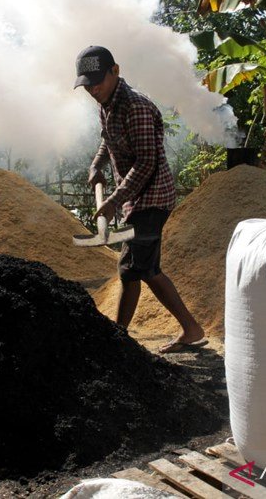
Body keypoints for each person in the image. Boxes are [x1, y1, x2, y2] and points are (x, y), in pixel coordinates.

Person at [73, 45, 205, 354]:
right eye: (87, 84)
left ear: (115, 71)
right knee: (141, 268)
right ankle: (185, 329)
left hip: (152, 198)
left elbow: (146, 163)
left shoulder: (136, 107)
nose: (93, 89)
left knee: (134, 268)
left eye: (97, 82)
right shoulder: (107, 103)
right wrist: (96, 165)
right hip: (135, 200)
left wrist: (114, 200)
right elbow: (107, 139)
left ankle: (122, 337)